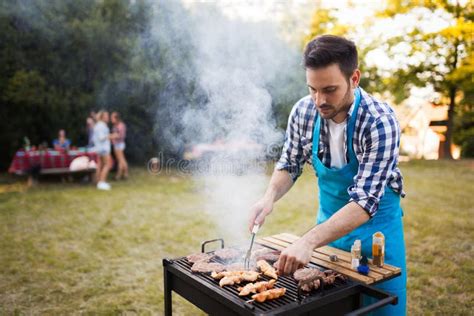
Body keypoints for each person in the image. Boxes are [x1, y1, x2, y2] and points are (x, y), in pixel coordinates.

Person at [248, 35, 406, 315]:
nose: (319, 100)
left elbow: (364, 203)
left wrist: (307, 241)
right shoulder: (303, 111)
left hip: (376, 236)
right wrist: (268, 197)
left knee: (380, 309)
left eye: (330, 90)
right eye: (313, 89)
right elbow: (290, 163)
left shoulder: (380, 122)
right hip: (328, 235)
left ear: (354, 78)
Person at [93, 110, 112, 190]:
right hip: (103, 149)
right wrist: (112, 136)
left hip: (99, 148)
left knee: (100, 165)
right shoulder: (101, 125)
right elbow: (101, 138)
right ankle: (102, 182)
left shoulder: (98, 125)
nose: (108, 117)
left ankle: (98, 182)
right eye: (107, 116)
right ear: (102, 117)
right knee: (108, 164)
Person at [110, 111, 129, 180]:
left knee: (121, 160)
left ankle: (120, 175)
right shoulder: (115, 126)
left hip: (119, 144)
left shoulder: (121, 125)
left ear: (116, 118)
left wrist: (110, 137)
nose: (111, 119)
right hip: (116, 144)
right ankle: (124, 174)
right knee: (120, 160)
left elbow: (120, 136)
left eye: (112, 118)